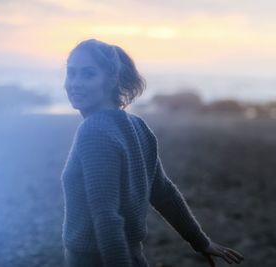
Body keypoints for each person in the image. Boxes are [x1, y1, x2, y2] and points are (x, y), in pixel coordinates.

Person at [60, 38, 245, 267]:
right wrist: (200, 241)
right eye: (71, 73)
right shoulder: (137, 126)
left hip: (97, 259)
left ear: (111, 80)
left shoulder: (94, 131)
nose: (75, 83)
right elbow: (164, 193)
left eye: (88, 74)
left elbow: (106, 217)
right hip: (132, 255)